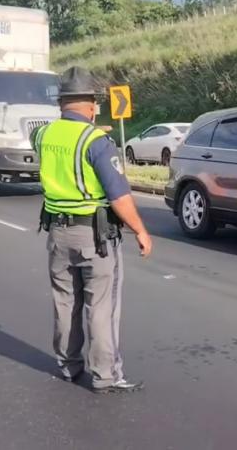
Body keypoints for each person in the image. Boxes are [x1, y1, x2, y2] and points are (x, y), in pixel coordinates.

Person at [31, 66, 153, 394]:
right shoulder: (97, 142)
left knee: (64, 301)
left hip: (57, 234)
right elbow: (120, 197)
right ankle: (106, 375)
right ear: (90, 104)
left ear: (61, 104)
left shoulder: (43, 135)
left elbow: (51, 139)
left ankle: (69, 365)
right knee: (100, 306)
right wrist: (140, 230)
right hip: (94, 239)